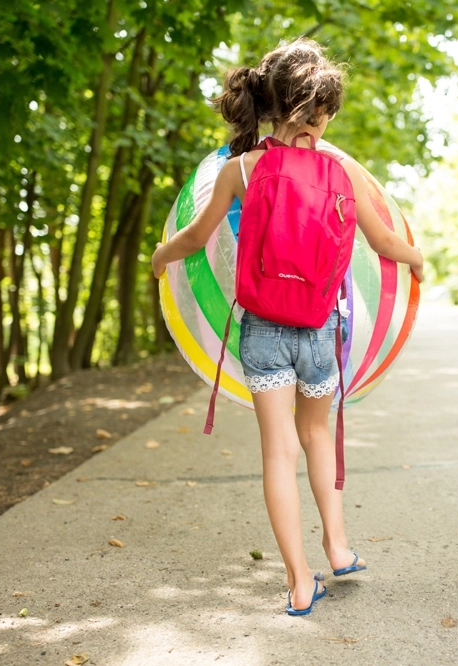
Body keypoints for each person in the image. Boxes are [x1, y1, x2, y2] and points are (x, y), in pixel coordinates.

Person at [152, 39, 424, 616]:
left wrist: (159, 257)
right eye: (319, 119)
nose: (319, 131)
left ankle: (300, 582)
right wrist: (417, 259)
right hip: (320, 330)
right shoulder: (342, 169)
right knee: (318, 435)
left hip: (263, 333)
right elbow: (382, 242)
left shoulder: (240, 170)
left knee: (279, 455)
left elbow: (197, 239)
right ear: (315, 111)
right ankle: (340, 546)